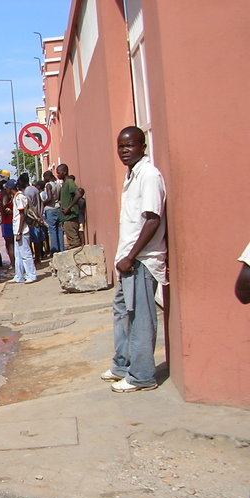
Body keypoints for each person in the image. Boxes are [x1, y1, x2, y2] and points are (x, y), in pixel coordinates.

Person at [102, 126, 166, 393]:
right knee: (121, 312)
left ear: (143, 146)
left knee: (140, 317)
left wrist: (131, 256)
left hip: (141, 260)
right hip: (127, 259)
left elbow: (153, 219)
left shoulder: (149, 175)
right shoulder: (132, 175)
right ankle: (123, 364)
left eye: (129, 146)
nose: (124, 151)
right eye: (120, 146)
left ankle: (142, 376)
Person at [10, 178, 38, 284]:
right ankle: (19, 275)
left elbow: (22, 215)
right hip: (17, 230)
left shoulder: (19, 197)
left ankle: (31, 275)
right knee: (18, 255)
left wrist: (19, 232)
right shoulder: (16, 197)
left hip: (21, 230)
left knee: (26, 254)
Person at [20, 173, 45, 265]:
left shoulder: (26, 192)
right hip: (37, 216)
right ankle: (38, 258)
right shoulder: (34, 189)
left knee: (32, 240)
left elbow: (27, 207)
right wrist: (40, 215)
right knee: (37, 240)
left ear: (23, 182)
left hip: (31, 218)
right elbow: (41, 202)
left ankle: (36, 259)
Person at [57, 164, 81, 249]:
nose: (57, 175)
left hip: (71, 218)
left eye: (59, 173)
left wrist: (68, 208)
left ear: (64, 172)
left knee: (75, 244)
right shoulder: (64, 184)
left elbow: (78, 194)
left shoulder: (69, 182)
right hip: (67, 218)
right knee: (71, 243)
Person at [0, 171, 15, 269]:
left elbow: (4, 207)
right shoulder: (2, 193)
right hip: (6, 221)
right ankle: (13, 263)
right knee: (9, 244)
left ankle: (14, 264)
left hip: (7, 222)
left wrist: (0, 206)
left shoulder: (4, 194)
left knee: (9, 244)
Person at [42, 170, 64, 254]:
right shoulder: (58, 184)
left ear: (47, 177)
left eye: (44, 177)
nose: (44, 179)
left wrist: (42, 203)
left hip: (50, 209)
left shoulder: (48, 185)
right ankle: (62, 250)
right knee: (59, 230)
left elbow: (49, 198)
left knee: (52, 230)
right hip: (58, 208)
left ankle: (54, 251)